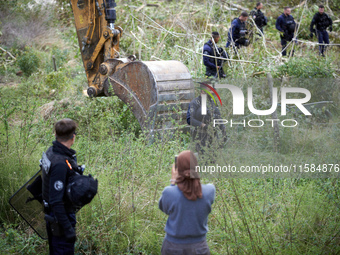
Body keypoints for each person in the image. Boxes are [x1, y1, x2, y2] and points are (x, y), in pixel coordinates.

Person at [159, 151, 215, 255]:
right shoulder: (209, 191)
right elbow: (198, 189)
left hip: (173, 248)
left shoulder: (169, 192)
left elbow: (164, 208)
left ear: (178, 169)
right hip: (200, 248)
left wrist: (173, 181)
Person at [41, 118, 81, 255]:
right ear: (73, 137)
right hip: (60, 217)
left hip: (53, 215)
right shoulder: (60, 164)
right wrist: (68, 228)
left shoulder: (51, 151)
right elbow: (56, 200)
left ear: (56, 135)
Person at [186, 83, 226, 154]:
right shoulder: (195, 103)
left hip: (213, 137)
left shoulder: (213, 102)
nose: (212, 92)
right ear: (203, 91)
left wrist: (223, 130)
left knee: (213, 160)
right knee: (203, 160)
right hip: (200, 137)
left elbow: (218, 117)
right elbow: (190, 119)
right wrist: (203, 125)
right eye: (210, 90)